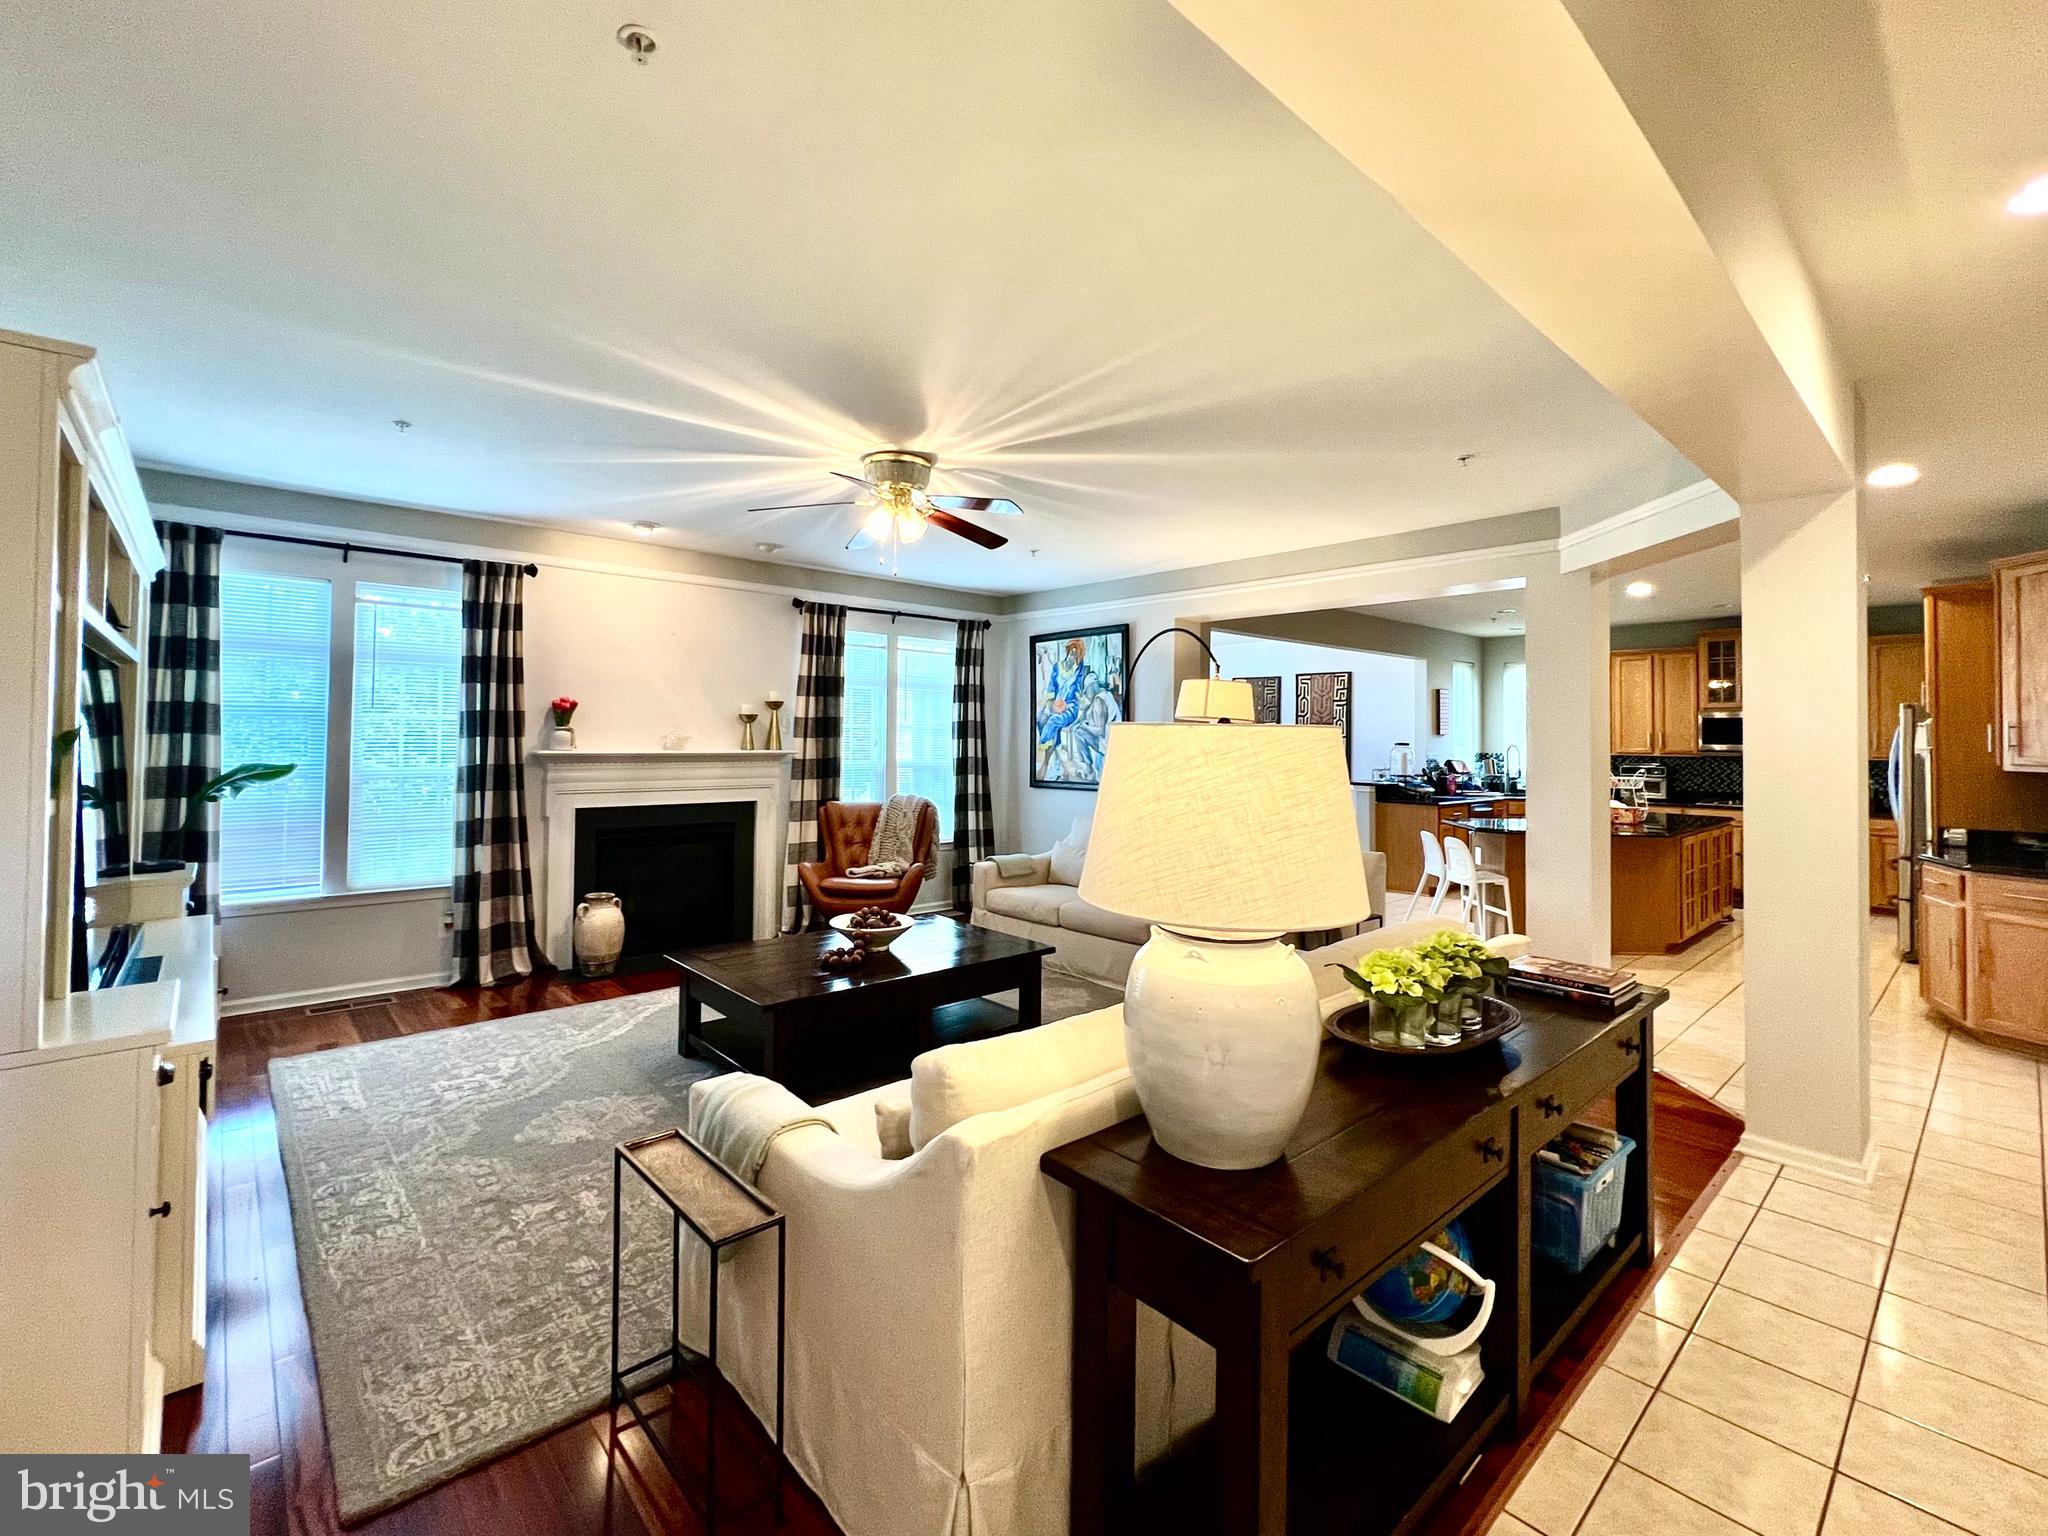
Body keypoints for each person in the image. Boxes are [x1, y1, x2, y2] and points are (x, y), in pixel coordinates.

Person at [1036, 636, 1094, 781]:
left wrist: (1066, 704)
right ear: (1067, 652)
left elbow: (1077, 692)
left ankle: (1045, 764)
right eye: (1071, 653)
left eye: (1075, 655)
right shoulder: (1057, 667)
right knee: (1040, 719)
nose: (1072, 657)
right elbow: (1051, 687)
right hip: (1055, 703)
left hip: (1070, 707)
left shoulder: (1078, 670)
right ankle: (1056, 752)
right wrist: (1050, 703)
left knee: (1053, 721)